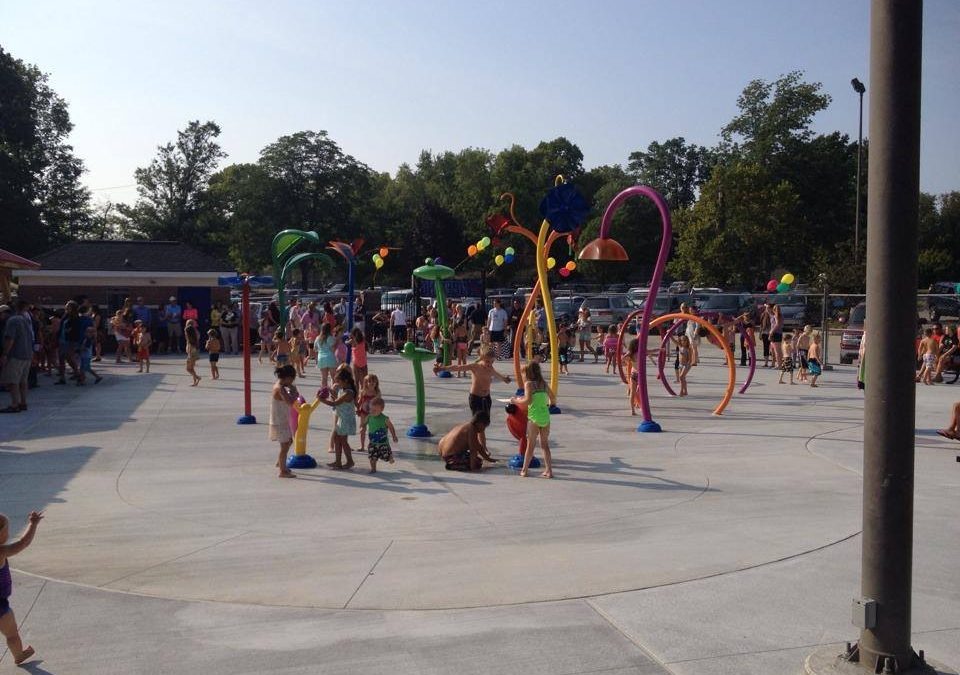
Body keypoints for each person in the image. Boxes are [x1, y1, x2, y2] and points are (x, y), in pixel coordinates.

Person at [434, 344, 511, 448]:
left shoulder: (490, 368)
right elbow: (457, 367)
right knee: (479, 425)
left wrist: (505, 379)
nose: (489, 364)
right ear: (482, 358)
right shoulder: (476, 366)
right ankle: (481, 447)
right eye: (487, 361)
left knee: (483, 425)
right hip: (476, 398)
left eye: (492, 362)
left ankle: (480, 447)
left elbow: (499, 375)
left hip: (486, 399)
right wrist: (442, 368)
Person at [0, 510, 43, 665]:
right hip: (0, 607)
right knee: (11, 634)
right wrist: (33, 524)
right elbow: (23, 543)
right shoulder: (1, 551)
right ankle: (19, 655)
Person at [512, 361, 556, 478]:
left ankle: (524, 470)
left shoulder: (529, 384)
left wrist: (515, 400)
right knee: (545, 445)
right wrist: (551, 405)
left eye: (523, 374)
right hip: (545, 417)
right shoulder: (544, 384)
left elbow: (528, 401)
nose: (523, 376)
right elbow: (552, 397)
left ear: (528, 373)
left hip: (534, 417)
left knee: (530, 445)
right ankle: (549, 471)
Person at [320, 366, 357, 470]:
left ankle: (350, 461)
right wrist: (330, 391)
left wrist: (321, 400)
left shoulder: (348, 392)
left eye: (339, 382)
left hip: (345, 420)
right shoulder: (343, 390)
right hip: (341, 418)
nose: (338, 384)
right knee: (337, 439)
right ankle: (338, 461)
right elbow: (337, 399)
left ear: (345, 381)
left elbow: (335, 403)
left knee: (343, 441)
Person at [0, 301, 33, 412]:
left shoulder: (12, 321)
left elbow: (10, 339)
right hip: (27, 354)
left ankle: (15, 404)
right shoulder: (25, 320)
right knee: (23, 381)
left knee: (13, 381)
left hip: (15, 355)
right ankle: (23, 402)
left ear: (4, 313)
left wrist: (4, 354)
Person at [268, 364, 299, 478]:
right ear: (287, 378)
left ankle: (280, 462)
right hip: (280, 421)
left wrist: (292, 392)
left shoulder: (279, 386)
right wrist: (295, 392)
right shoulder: (280, 389)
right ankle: (282, 470)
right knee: (285, 445)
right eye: (292, 379)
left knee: (289, 441)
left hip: (282, 419)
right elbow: (290, 402)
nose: (292, 382)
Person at [362, 397, 398, 473]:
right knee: (372, 456)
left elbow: (391, 427)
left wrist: (394, 436)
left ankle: (390, 456)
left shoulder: (385, 419)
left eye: (374, 410)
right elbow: (364, 423)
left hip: (383, 443)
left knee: (385, 457)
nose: (372, 411)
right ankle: (373, 469)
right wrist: (362, 426)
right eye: (371, 409)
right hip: (372, 442)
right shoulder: (369, 416)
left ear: (381, 410)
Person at [356, 373, 381, 450]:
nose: (372, 383)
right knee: (362, 429)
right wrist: (358, 409)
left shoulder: (377, 393)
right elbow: (360, 401)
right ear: (366, 383)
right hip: (364, 412)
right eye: (369, 381)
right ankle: (362, 446)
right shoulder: (363, 391)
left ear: (376, 383)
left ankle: (373, 445)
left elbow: (379, 403)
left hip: (373, 413)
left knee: (373, 429)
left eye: (374, 381)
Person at [314, 323, 337, 389]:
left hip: (321, 358)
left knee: (324, 378)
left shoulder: (318, 338)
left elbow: (315, 349)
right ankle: (334, 393)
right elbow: (333, 350)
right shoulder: (331, 338)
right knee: (333, 377)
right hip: (330, 358)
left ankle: (324, 394)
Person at [184, 319, 201, 386]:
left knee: (188, 368)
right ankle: (195, 381)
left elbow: (188, 342)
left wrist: (188, 351)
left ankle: (197, 378)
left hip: (191, 352)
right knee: (191, 368)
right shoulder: (196, 332)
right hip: (194, 351)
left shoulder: (188, 331)